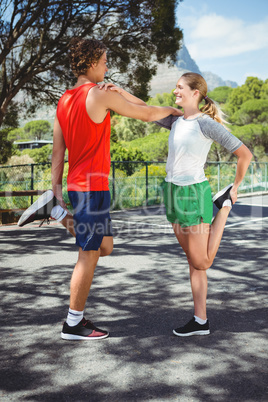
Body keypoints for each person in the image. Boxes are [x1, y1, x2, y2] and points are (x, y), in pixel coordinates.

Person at [18, 37, 182, 341]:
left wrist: (56, 190)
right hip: (92, 187)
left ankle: (53, 209)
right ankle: (73, 323)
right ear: (92, 62)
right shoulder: (97, 95)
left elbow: (57, 152)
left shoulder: (65, 99)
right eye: (105, 61)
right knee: (88, 253)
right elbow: (145, 113)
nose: (107, 66)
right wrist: (175, 112)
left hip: (77, 186)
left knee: (105, 246)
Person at [154, 72, 252, 337]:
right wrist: (116, 91)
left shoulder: (206, 124)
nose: (175, 91)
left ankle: (224, 206)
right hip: (172, 192)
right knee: (194, 262)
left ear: (195, 93)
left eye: (180, 87)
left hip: (193, 194)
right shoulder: (175, 120)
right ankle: (200, 321)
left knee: (203, 261)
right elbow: (142, 110)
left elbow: (245, 153)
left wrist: (236, 186)